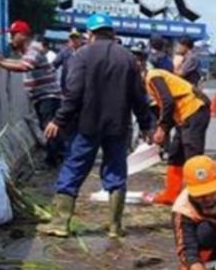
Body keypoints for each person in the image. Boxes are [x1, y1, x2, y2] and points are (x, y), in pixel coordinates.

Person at [42, 13, 152, 239]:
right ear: (112, 32)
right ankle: (114, 226)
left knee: (74, 169)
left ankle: (61, 224)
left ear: (90, 34)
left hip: (86, 125)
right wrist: (146, 125)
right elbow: (138, 97)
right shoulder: (128, 58)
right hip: (118, 126)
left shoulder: (82, 55)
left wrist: (59, 120)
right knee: (115, 172)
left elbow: (73, 93)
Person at [0, 20, 64, 167]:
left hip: (47, 96)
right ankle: (58, 155)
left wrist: (0, 63)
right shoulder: (27, 51)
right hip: (43, 96)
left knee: (48, 127)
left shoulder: (33, 49)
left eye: (13, 35)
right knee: (48, 127)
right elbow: (18, 62)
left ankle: (53, 159)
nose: (11, 38)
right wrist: (3, 60)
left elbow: (24, 66)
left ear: (23, 35)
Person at [145, 65, 210, 204]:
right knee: (176, 154)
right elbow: (165, 107)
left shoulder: (153, 76)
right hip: (183, 116)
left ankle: (199, 197)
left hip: (194, 110)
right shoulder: (150, 83)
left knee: (192, 155)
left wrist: (162, 129)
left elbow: (168, 102)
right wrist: (161, 129)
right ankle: (172, 194)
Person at [52, 28, 83, 93]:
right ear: (69, 39)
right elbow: (54, 65)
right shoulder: (64, 52)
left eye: (76, 37)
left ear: (81, 39)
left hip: (81, 88)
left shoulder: (85, 51)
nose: (74, 40)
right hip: (66, 88)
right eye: (72, 38)